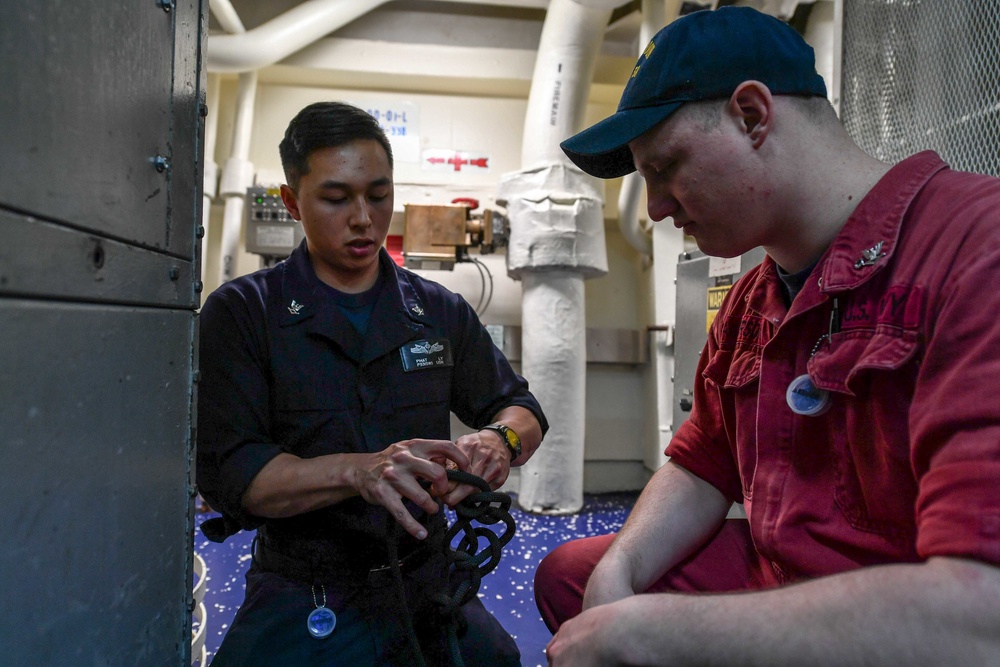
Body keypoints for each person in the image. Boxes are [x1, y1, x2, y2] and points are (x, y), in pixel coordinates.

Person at [537, 6, 1000, 666]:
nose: (656, 209)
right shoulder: (756, 297)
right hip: (781, 573)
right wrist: (619, 572)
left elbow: (984, 612)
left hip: (910, 607)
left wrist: (652, 632)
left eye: (664, 167)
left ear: (752, 116)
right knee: (574, 574)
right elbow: (703, 461)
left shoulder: (974, 248)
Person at [196, 100, 547, 666]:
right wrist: (360, 471)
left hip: (424, 579)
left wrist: (498, 442)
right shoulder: (243, 314)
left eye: (379, 195)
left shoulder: (438, 310)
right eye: (337, 198)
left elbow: (518, 406)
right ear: (292, 202)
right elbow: (236, 477)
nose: (363, 218)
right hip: (304, 585)